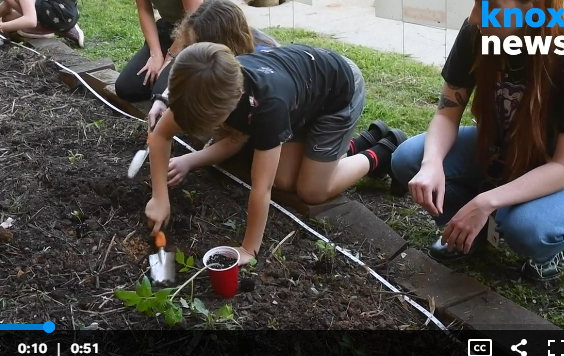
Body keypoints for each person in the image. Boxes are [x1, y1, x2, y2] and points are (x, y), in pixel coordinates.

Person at [145, 42, 407, 265]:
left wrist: (248, 249)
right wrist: (160, 196)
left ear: (234, 103)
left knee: (311, 190)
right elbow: (161, 135)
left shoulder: (266, 109)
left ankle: (383, 150)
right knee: (285, 180)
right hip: (302, 95)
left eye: (212, 123)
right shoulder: (200, 89)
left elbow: (261, 189)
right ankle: (362, 141)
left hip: (338, 95)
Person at [390, 0, 564, 282]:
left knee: (529, 229)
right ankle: (467, 229)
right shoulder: (478, 31)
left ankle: (551, 249)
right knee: (409, 159)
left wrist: (487, 201)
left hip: (563, 164)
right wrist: (431, 164)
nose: (475, 17)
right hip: (500, 147)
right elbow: (446, 114)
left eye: (491, 5)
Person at [147, 0, 280, 129]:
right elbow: (190, 66)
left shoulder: (256, 64)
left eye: (198, 44)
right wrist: (163, 99)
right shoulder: (222, 50)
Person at [114, 0, 205, 102]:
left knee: (161, 95)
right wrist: (156, 54)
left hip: (198, 33)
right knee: (127, 88)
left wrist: (169, 57)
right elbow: (144, 10)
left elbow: (193, 17)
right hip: (168, 29)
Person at [0, 0, 84, 48]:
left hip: (61, 14)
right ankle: (59, 26)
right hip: (68, 11)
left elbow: (30, 20)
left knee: (22, 23)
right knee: (8, 18)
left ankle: (48, 28)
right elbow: (7, 4)